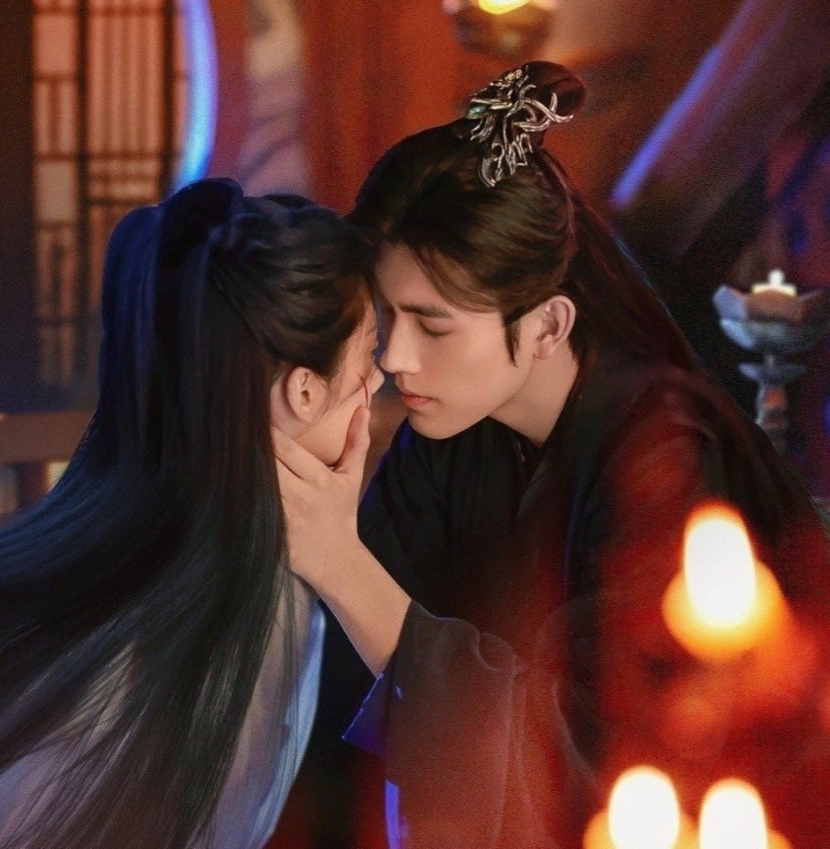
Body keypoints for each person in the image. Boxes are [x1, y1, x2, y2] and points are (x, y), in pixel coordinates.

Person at [274, 63, 830, 848]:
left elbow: (592, 750)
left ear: (547, 324)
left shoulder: (664, 451)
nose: (395, 356)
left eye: (432, 326)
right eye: (387, 318)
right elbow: (333, 667)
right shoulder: (454, 434)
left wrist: (342, 567)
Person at [0, 178, 383, 849]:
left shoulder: (143, 566)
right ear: (305, 393)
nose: (382, 380)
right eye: (369, 357)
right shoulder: (232, 620)